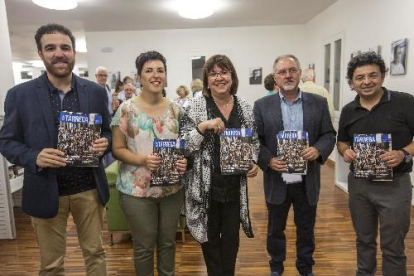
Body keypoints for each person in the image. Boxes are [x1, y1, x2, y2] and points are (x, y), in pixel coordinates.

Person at [0, 23, 111, 276]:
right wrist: (33, 156)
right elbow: (6, 141)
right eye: (51, 48)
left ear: (73, 52)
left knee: (96, 254)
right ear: (40, 53)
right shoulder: (20, 94)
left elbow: (106, 130)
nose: (59, 53)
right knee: (51, 265)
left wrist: (104, 143)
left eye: (65, 47)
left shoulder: (94, 91)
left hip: (89, 189)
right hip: (45, 188)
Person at [253, 54, 336, 276]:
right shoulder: (262, 105)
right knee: (275, 229)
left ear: (299, 73)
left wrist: (318, 149)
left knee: (306, 229)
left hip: (307, 178)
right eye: (282, 72)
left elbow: (329, 134)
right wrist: (268, 160)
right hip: (277, 178)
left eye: (292, 70)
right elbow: (256, 141)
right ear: (275, 77)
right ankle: (276, 267)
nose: (287, 75)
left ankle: (305, 267)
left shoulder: (318, 103)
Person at [179, 54, 260, 276]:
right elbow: (183, 146)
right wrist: (202, 127)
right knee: (210, 240)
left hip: (234, 187)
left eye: (224, 72)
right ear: (206, 80)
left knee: (232, 240)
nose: (219, 78)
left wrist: (252, 161)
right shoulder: (195, 106)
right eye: (213, 74)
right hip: (206, 188)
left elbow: (253, 141)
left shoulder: (244, 106)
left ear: (232, 77)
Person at [337, 51, 414, 276]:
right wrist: (346, 152)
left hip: (395, 185)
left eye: (373, 75)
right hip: (360, 185)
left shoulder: (405, 102)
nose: (367, 81)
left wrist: (403, 154)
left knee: (393, 247)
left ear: (383, 75)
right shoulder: (349, 110)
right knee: (364, 241)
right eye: (360, 78)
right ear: (352, 82)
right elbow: (341, 142)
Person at [111, 51, 187, 276]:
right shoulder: (126, 109)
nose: (156, 75)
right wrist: (142, 159)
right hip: (137, 192)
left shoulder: (177, 109)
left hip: (172, 189)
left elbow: (184, 146)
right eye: (149, 70)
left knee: (168, 243)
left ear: (166, 76)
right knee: (144, 247)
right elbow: (117, 149)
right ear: (139, 77)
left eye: (160, 70)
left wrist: (183, 161)